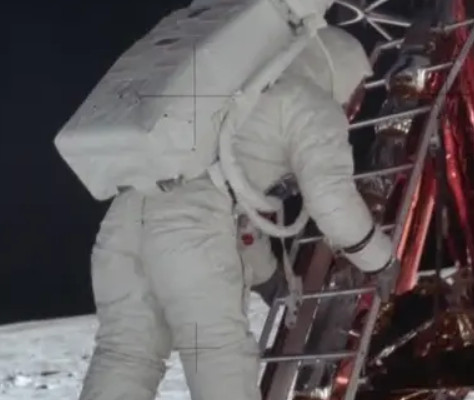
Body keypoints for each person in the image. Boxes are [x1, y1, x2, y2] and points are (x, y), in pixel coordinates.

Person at [79, 26, 393, 400]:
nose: (353, 105)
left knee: (126, 354)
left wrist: (270, 278)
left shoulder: (242, 91)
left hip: (124, 221)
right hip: (188, 229)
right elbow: (330, 198)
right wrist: (380, 259)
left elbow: (238, 208)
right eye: (356, 91)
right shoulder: (309, 101)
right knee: (217, 353)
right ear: (339, 68)